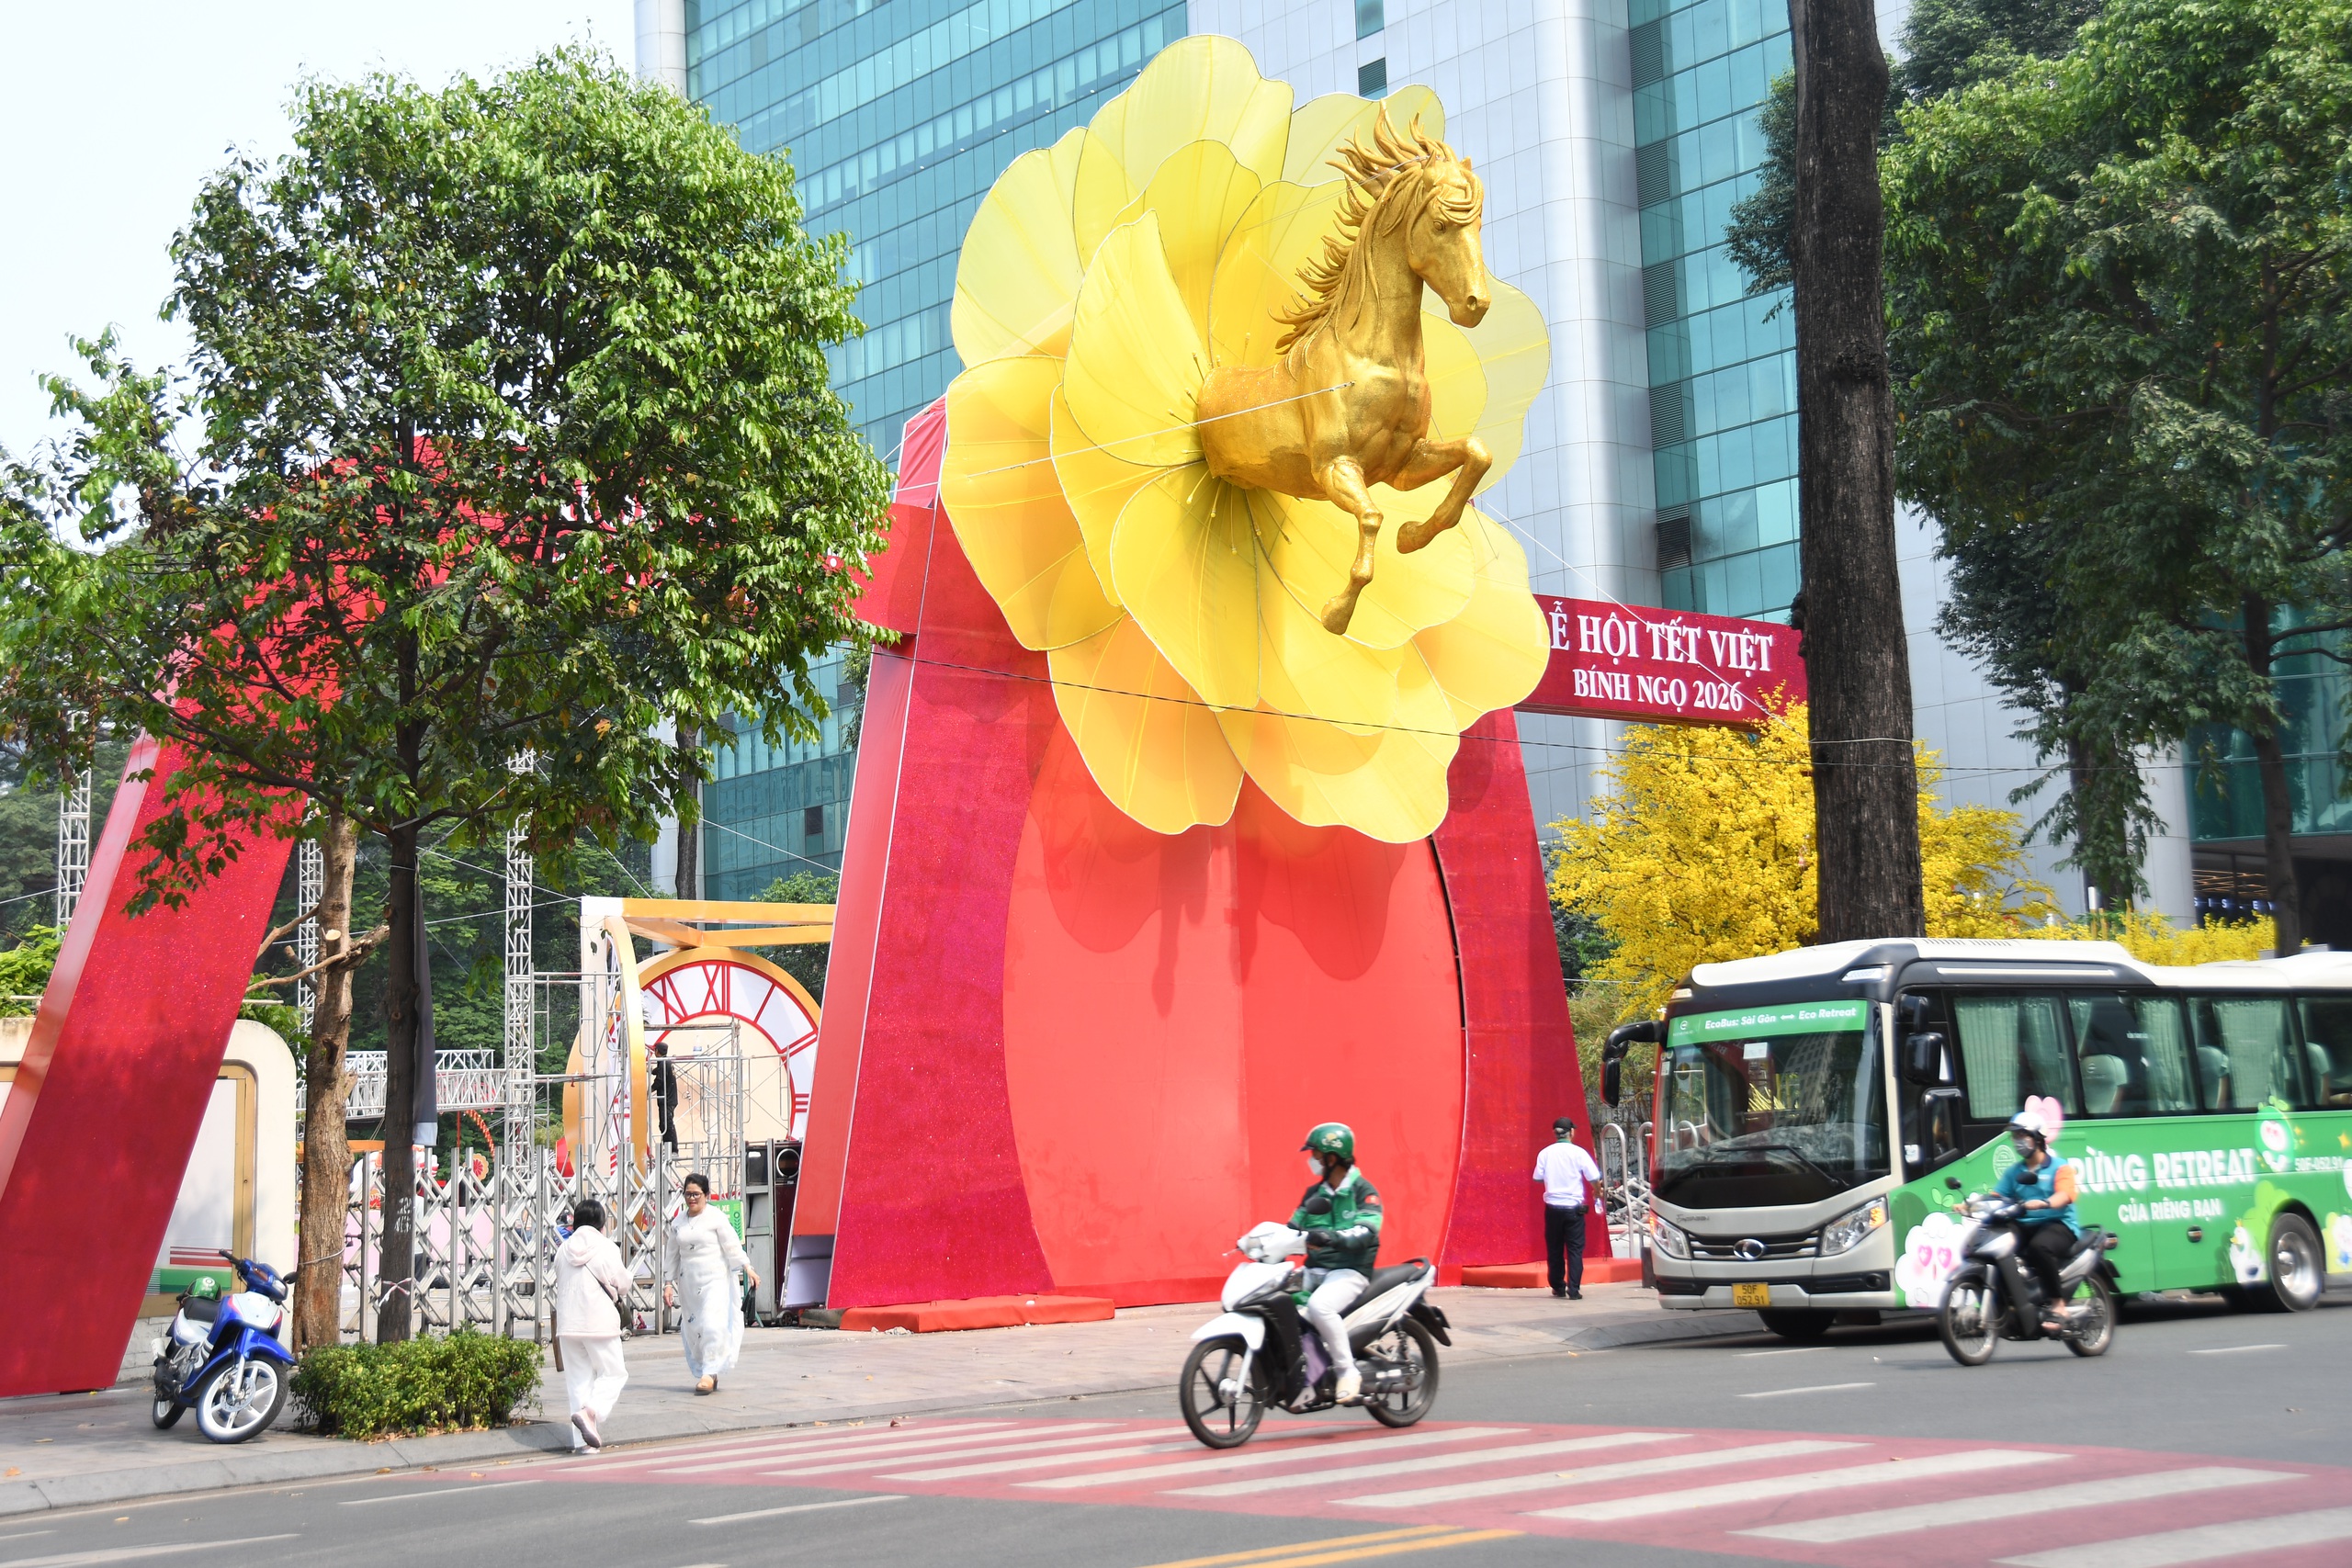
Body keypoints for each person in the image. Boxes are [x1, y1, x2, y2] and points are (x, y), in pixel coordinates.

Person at [1290, 1122, 1383, 1405]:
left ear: (1333, 1157)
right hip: (1314, 1269)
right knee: (1277, 1299)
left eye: (1317, 1155)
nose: (1313, 1161)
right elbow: (1292, 1228)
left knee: (1320, 1307)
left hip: (1349, 1270)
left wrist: (1329, 1237)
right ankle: (1307, 1370)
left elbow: (1365, 1232)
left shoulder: (1363, 1192)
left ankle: (1347, 1372)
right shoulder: (1313, 1194)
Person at [662, 1172, 758, 1393]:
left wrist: (747, 1267)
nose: (692, 1199)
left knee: (712, 1324)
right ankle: (707, 1370)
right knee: (695, 1328)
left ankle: (709, 1372)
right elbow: (672, 1255)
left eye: (696, 1194)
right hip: (689, 1283)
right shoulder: (677, 1223)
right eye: (688, 1194)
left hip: (715, 1280)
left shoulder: (716, 1218)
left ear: (706, 1195)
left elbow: (732, 1245)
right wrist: (668, 1283)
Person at [552, 1198, 629, 1451]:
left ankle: (584, 1444)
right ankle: (592, 1412)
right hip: (599, 1321)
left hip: (568, 1324)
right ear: (601, 1223)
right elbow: (623, 1283)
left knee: (578, 1382)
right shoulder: (606, 1247)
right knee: (614, 1373)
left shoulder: (563, 1250)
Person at [1994, 1109, 2081, 1332]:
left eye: (2022, 1135)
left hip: (2058, 1224)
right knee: (1997, 1243)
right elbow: (1998, 1195)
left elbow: (2066, 1194)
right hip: (2026, 1224)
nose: (2018, 1141)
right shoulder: (2015, 1171)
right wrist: (1970, 1205)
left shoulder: (2060, 1167)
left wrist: (2045, 1203)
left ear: (2037, 1138)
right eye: (2015, 1137)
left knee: (2039, 1247)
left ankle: (2058, 1304)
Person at [1533, 1117, 1602, 1299]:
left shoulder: (1545, 1153)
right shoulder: (1579, 1153)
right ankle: (1574, 1289)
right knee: (1574, 1250)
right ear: (1571, 1132)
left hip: (1553, 1207)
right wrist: (1597, 1192)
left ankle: (1558, 1286)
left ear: (1555, 1133)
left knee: (1554, 1248)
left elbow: (1538, 1178)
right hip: (1573, 1208)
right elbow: (1594, 1177)